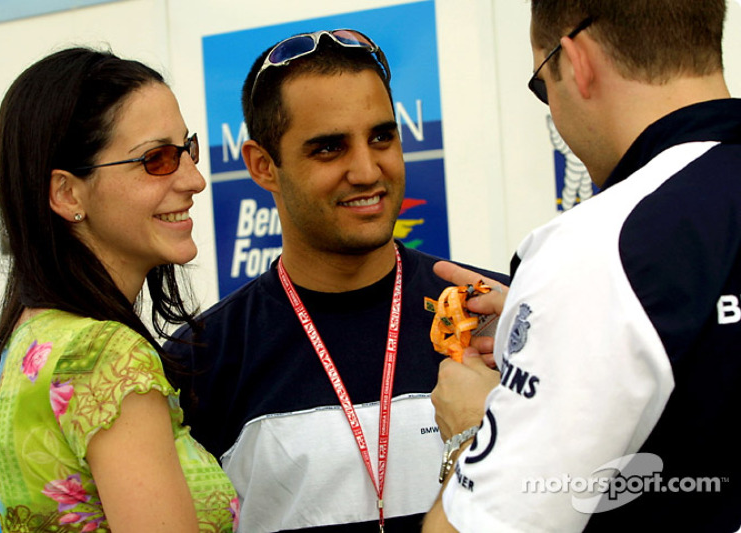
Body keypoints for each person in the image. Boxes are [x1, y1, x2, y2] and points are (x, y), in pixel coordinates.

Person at [165, 30, 509, 532]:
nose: (368, 171)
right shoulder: (199, 362)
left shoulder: (497, 317)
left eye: (382, 137)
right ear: (263, 166)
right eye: (329, 148)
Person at [423, 1, 741, 531]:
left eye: (542, 86)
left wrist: (469, 434)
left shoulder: (600, 248)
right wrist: (552, 322)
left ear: (576, 61)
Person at [0, 47, 238, 532]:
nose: (194, 179)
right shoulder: (105, 354)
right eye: (157, 159)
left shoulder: (34, 338)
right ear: (68, 193)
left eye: (186, 149)